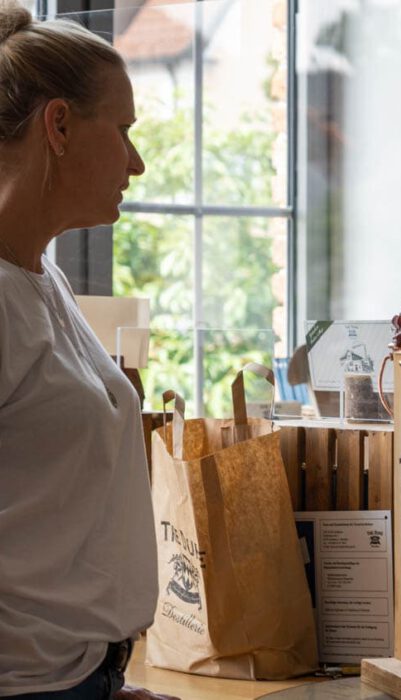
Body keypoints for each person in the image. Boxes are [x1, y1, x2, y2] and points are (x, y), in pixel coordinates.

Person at [0, 3, 176, 698]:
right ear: (60, 125)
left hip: (78, 679)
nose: (137, 161)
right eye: (125, 129)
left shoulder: (46, 281)